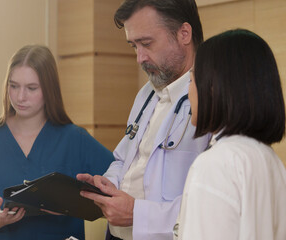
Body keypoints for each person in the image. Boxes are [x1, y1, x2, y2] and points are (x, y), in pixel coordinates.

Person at [0, 45, 114, 240]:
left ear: (49, 89)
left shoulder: (75, 139)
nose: (20, 97)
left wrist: (70, 207)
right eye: (13, 86)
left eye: (31, 88)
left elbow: (115, 199)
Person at [76, 0, 210, 239]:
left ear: (184, 33)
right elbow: (123, 159)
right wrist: (108, 185)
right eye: (133, 46)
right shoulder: (146, 94)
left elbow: (210, 202)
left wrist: (139, 213)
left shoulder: (212, 98)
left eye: (146, 43)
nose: (139, 58)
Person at [174, 29, 286, 239]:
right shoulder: (273, 164)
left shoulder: (215, 164)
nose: (189, 91)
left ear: (213, 88)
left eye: (193, 80)